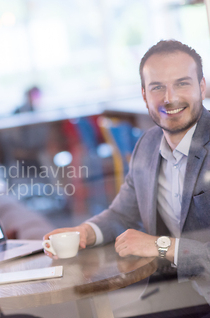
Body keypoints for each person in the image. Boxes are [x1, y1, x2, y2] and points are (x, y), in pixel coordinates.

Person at [44, 40, 210, 295]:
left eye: (182, 83)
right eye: (157, 87)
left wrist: (161, 245)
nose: (170, 97)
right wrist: (85, 232)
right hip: (175, 294)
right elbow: (122, 214)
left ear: (202, 86)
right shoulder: (147, 145)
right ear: (144, 95)